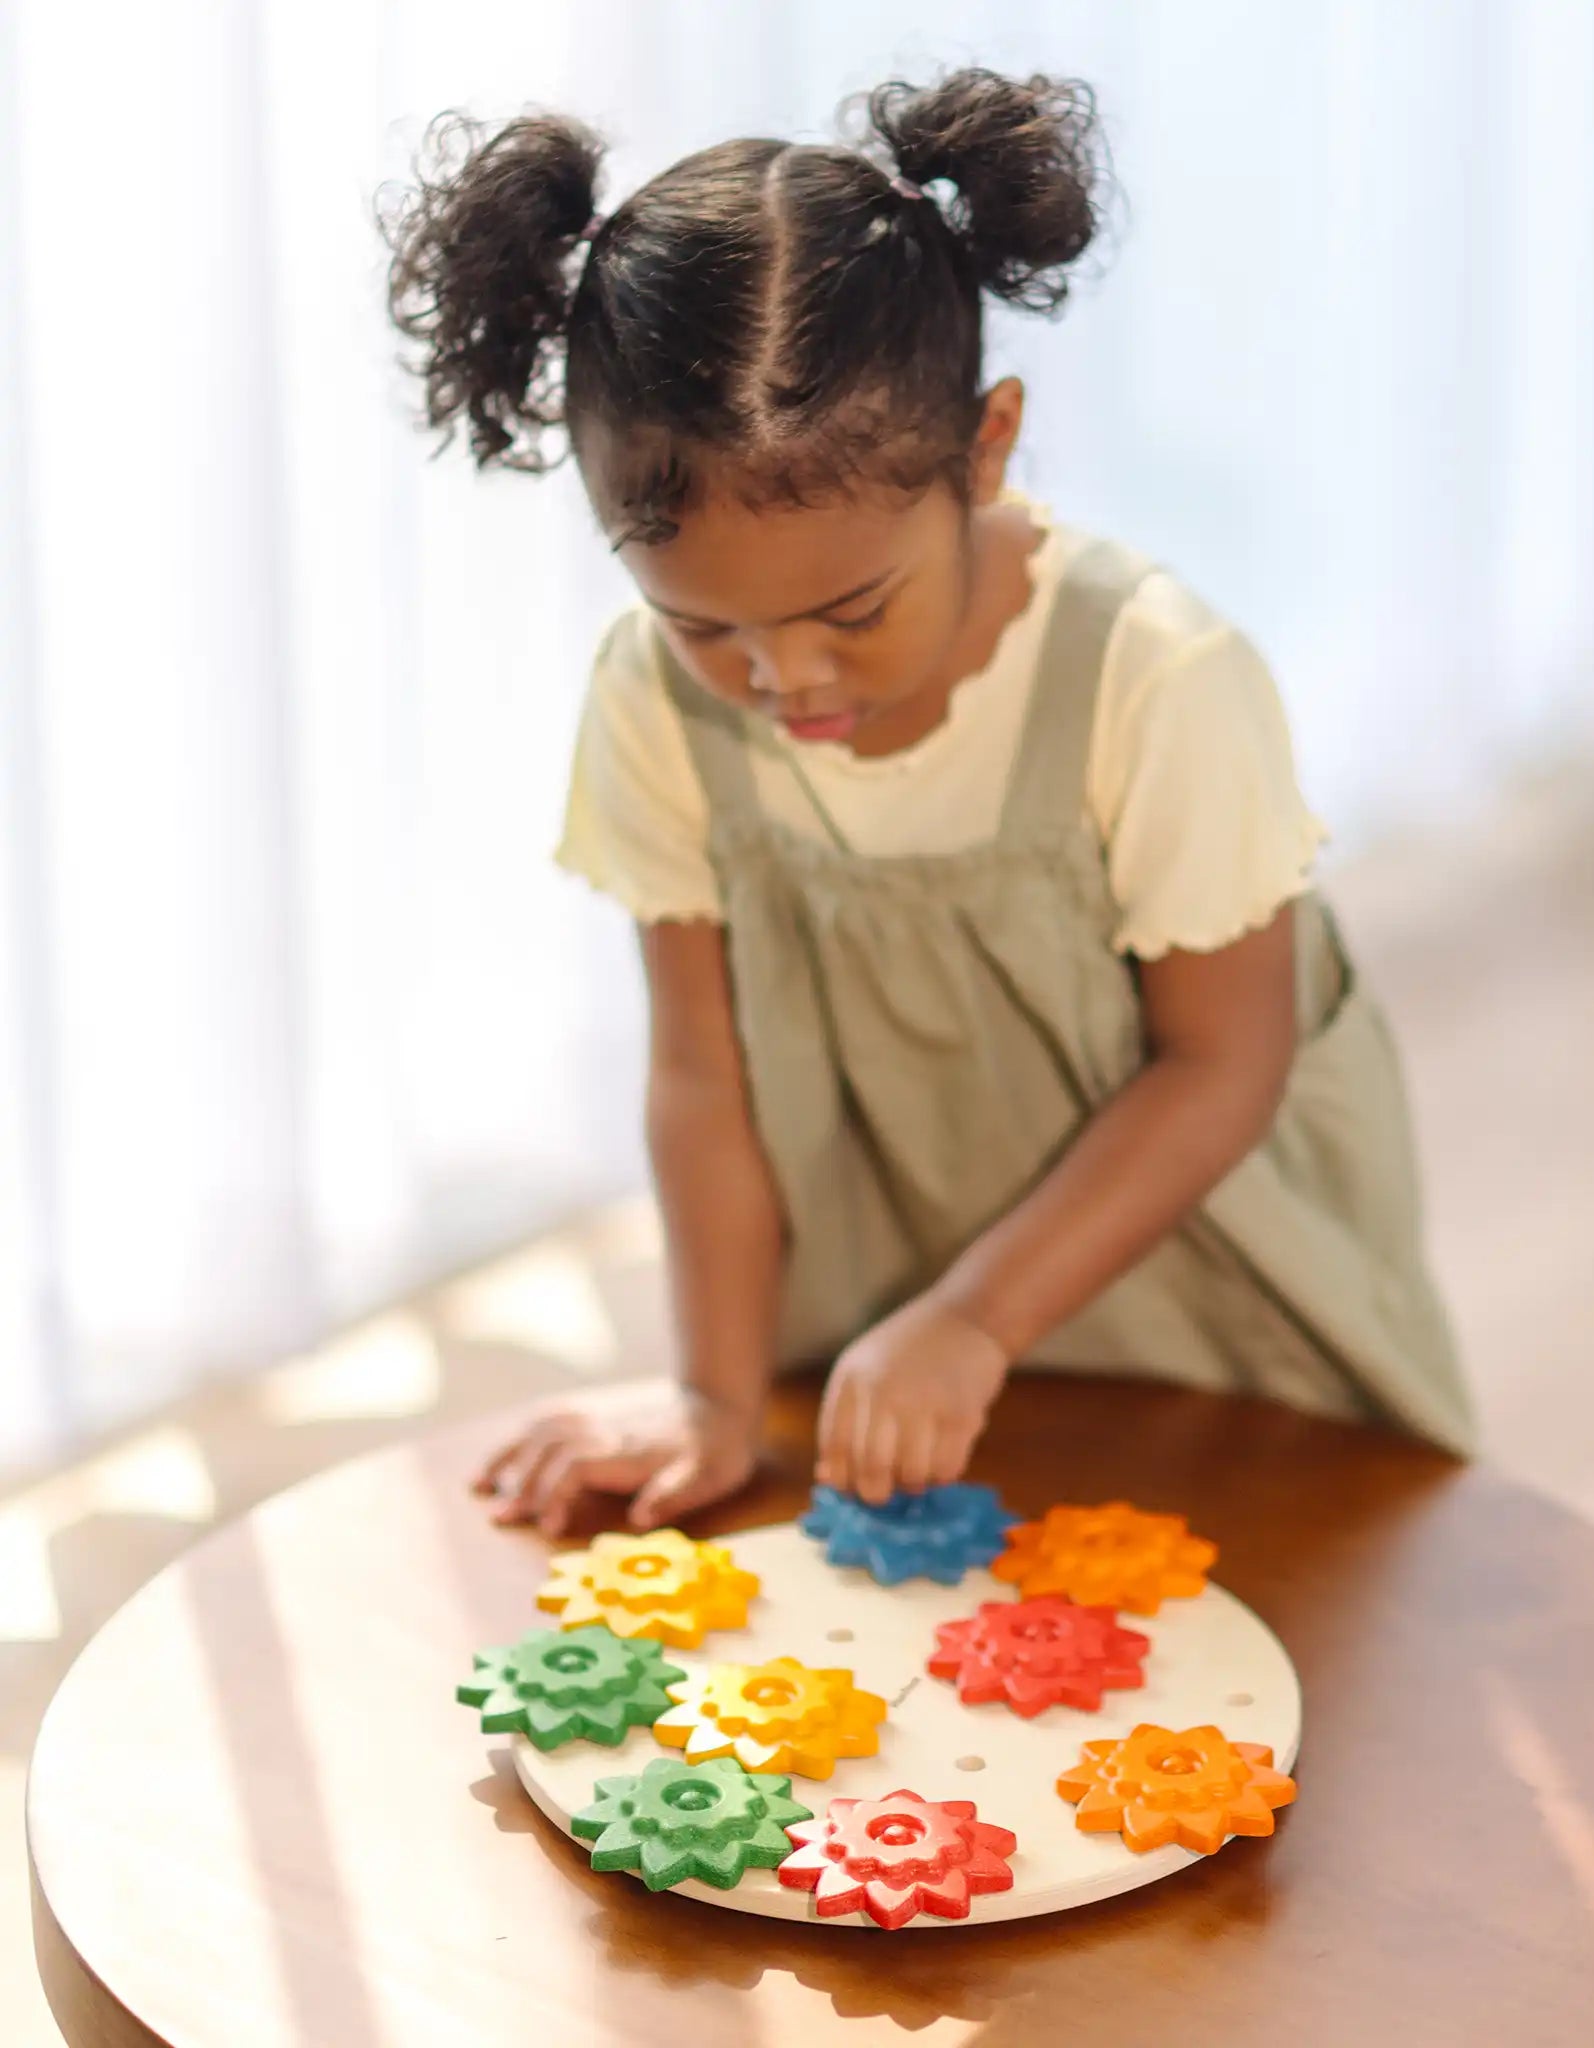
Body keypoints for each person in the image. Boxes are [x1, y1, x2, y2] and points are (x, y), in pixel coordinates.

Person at [381, 67, 1475, 1540]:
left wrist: (979, 1314)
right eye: (705, 625)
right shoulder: (650, 699)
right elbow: (702, 1079)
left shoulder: (1154, 679)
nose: (784, 680)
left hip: (1215, 1315)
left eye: (851, 611)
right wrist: (712, 1396)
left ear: (985, 449)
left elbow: (1226, 1060)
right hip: (887, 1343)